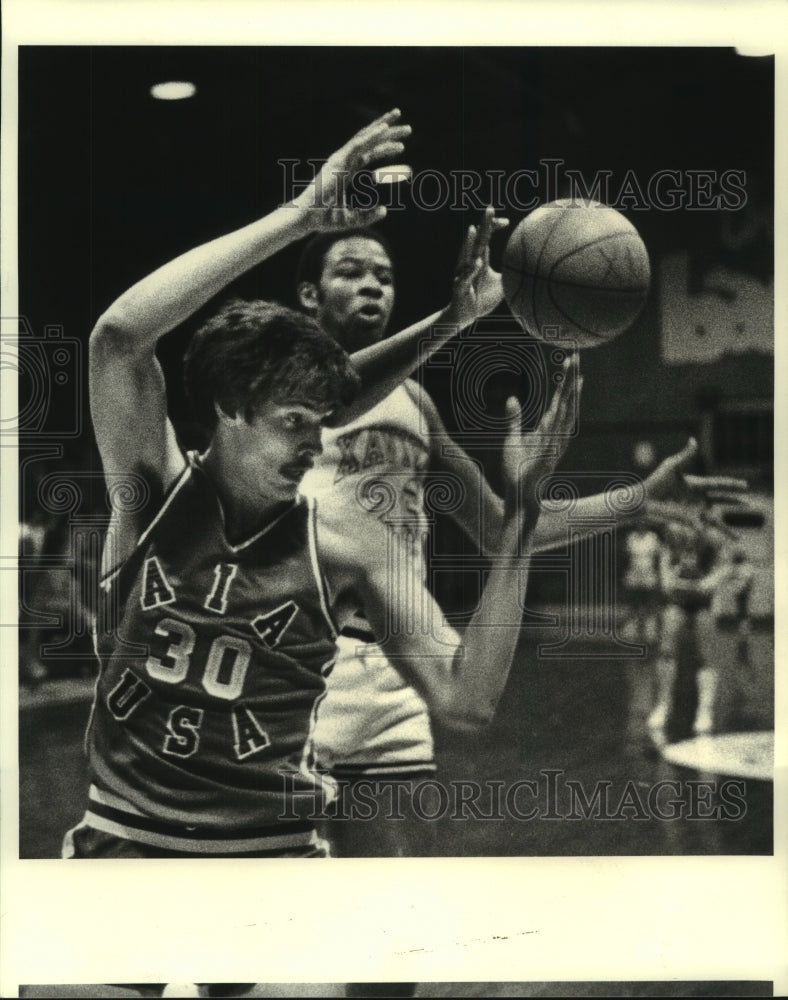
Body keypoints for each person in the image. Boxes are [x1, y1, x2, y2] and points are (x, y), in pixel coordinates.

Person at [65, 107, 576, 858]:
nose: (320, 437)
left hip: (271, 853)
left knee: (379, 947)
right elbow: (116, 338)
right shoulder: (153, 498)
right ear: (234, 408)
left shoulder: (350, 547)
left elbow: (468, 701)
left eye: (322, 419)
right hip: (128, 844)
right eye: (299, 420)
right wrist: (300, 216)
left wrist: (528, 516)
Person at [647, 503, 736, 737]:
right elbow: (665, 558)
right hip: (678, 598)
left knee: (706, 654)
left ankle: (704, 710)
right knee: (666, 650)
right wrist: (665, 576)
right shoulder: (673, 530)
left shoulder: (714, 537)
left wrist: (710, 582)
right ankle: (663, 705)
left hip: (704, 601)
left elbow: (726, 568)